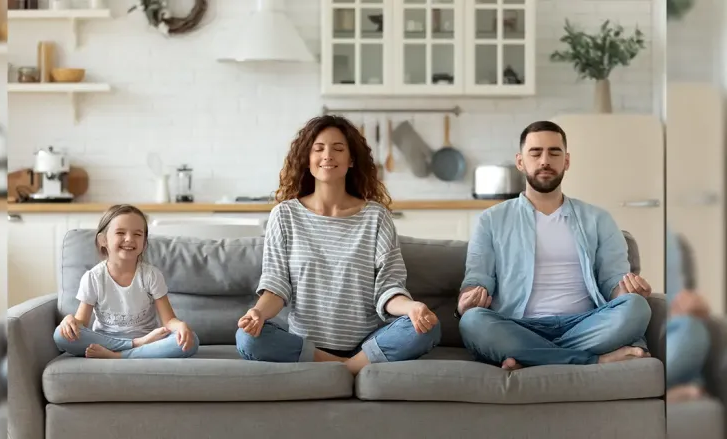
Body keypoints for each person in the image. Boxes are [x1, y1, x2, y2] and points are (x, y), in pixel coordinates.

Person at [235, 115, 441, 375]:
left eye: (338, 149)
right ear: (306, 159)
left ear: (351, 160)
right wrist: (257, 313)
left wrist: (412, 307)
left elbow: (388, 287)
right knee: (247, 338)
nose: (327, 155)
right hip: (305, 344)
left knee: (428, 327)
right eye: (318, 149)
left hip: (366, 344)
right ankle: (348, 369)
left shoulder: (376, 216)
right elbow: (276, 286)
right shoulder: (284, 215)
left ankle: (345, 366)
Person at [456, 120, 653, 370]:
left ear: (566, 161)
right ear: (520, 161)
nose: (544, 161)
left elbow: (612, 282)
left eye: (554, 152)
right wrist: (466, 301)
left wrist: (628, 292)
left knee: (636, 307)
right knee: (473, 322)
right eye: (535, 153)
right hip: (518, 325)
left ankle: (531, 358)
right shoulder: (491, 220)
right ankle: (595, 360)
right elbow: (477, 279)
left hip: (584, 323)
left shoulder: (599, 219)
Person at [53, 204, 199, 359]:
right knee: (60, 335)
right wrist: (70, 321)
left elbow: (169, 320)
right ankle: (134, 346)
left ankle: (119, 356)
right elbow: (81, 321)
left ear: (144, 243)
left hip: (150, 342)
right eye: (120, 232)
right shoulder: (93, 277)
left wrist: (180, 326)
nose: (129, 239)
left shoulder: (151, 275)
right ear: (103, 240)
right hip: (112, 341)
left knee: (191, 341)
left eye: (137, 234)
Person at [665, 228, 712, 403]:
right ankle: (661, 394)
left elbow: (691, 300)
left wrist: (699, 307)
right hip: (639, 338)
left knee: (692, 330)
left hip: (674, 330)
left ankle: (658, 393)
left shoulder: (674, 242)